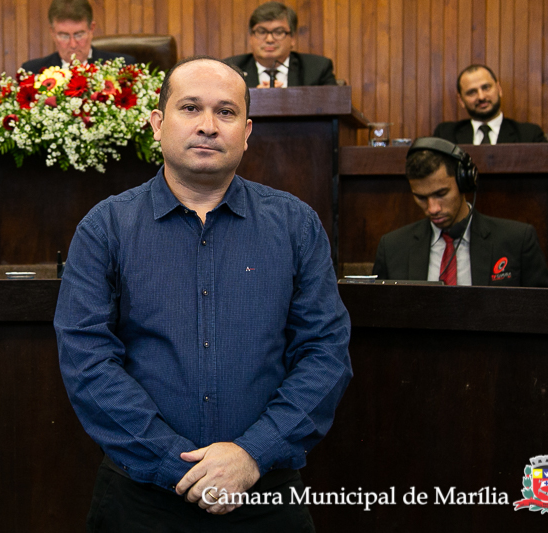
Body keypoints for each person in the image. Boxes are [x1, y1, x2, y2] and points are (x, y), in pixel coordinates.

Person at [54, 56, 352, 531]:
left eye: (226, 112)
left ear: (247, 132)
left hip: (265, 493)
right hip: (142, 499)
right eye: (190, 108)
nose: (208, 126)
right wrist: (178, 466)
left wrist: (253, 454)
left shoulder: (296, 225)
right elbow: (87, 361)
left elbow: (325, 353)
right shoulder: (105, 227)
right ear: (158, 123)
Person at [372, 137, 548, 287]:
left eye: (441, 194)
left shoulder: (517, 241)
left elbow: (545, 311)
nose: (433, 209)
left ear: (463, 183)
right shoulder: (393, 248)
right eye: (421, 197)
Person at [224, 1, 336, 88]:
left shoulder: (317, 69)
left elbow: (333, 106)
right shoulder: (230, 70)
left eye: (278, 32)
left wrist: (284, 98)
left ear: (293, 38)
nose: (269, 39)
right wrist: (257, 98)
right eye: (261, 32)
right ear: (251, 37)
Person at [433, 64, 546, 144]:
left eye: (486, 88)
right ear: (461, 100)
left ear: (499, 89)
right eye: (472, 92)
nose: (481, 97)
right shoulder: (445, 135)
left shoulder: (529, 135)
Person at [21, 0, 135, 73]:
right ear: (52, 32)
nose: (73, 44)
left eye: (79, 35)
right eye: (64, 36)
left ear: (91, 29)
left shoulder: (123, 68)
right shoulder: (32, 71)